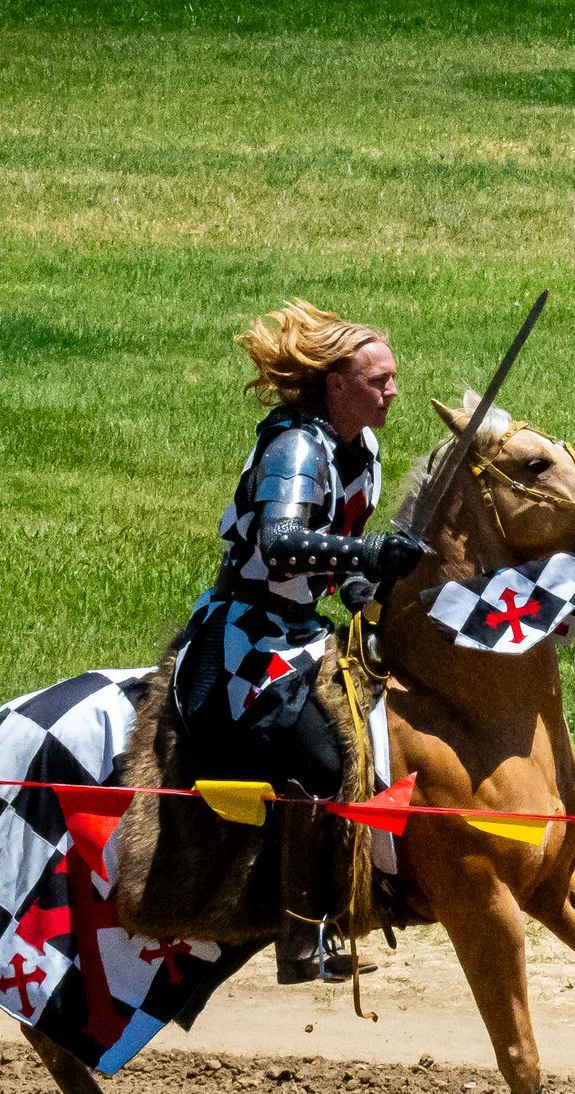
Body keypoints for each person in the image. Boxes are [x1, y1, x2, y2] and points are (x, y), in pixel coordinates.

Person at [172, 300, 422, 984]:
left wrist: (378, 595)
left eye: (393, 378)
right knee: (322, 759)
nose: (393, 391)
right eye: (379, 381)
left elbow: (338, 562)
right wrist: (370, 553)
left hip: (306, 631)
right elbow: (282, 545)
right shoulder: (297, 446)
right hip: (246, 638)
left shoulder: (363, 452)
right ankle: (299, 933)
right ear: (336, 385)